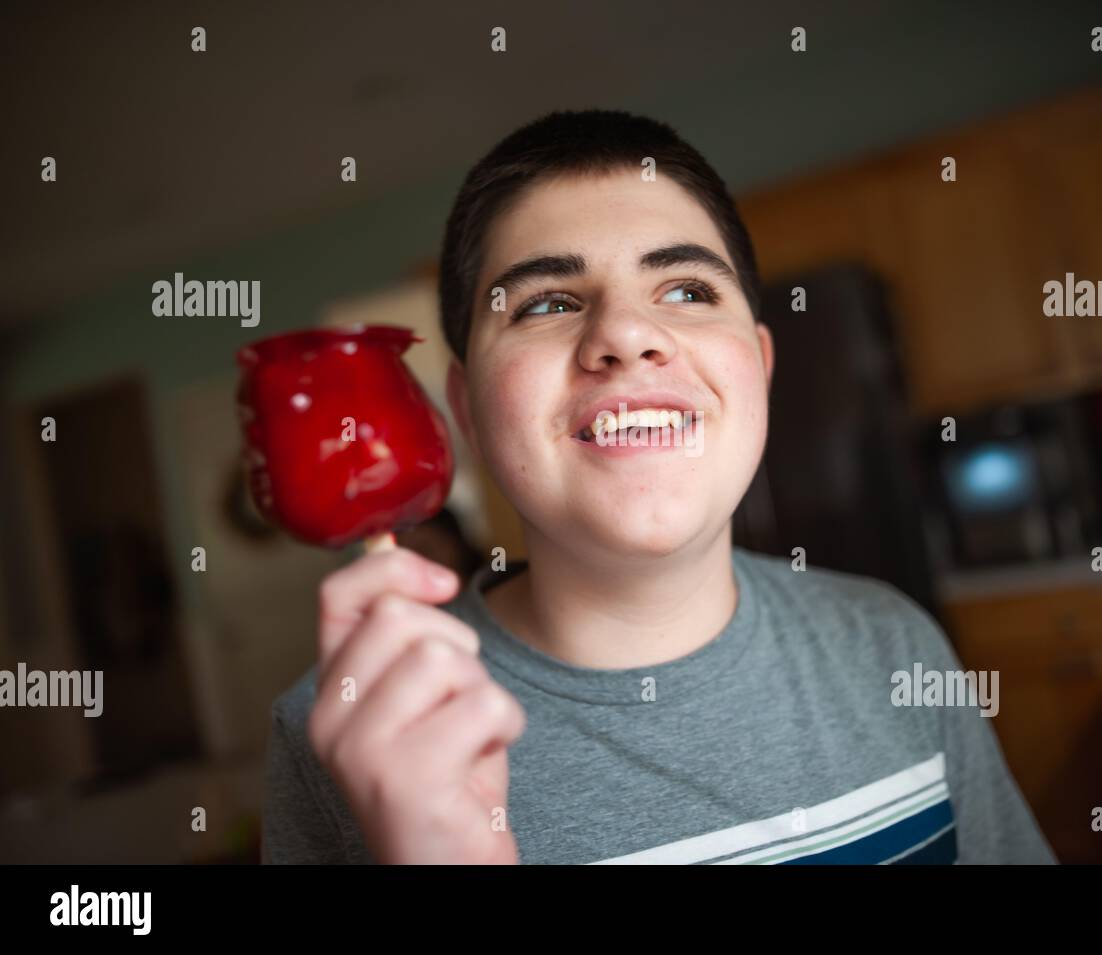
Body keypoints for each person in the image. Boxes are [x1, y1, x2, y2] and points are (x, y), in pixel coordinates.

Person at [262, 109, 1056, 865]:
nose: (625, 334)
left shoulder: (894, 643)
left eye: (687, 290)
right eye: (547, 302)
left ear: (762, 369)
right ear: (465, 407)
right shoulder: (339, 734)